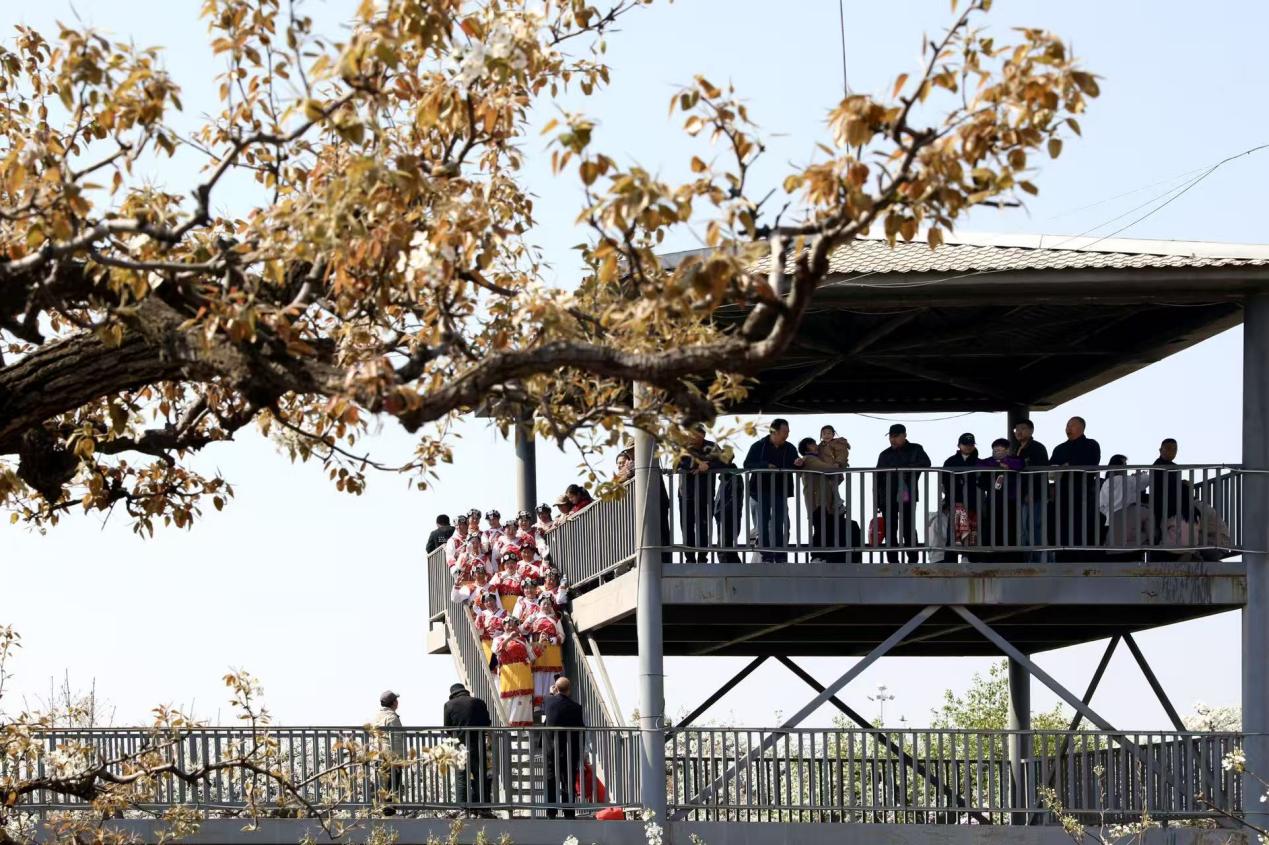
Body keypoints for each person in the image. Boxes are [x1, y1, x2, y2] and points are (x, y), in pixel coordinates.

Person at [743, 419, 802, 562]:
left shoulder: (790, 448)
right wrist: (765, 465)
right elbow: (747, 464)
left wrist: (799, 463)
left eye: (788, 432)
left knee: (780, 522)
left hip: (780, 491)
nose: (787, 435)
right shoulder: (759, 446)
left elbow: (795, 464)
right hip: (761, 490)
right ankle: (766, 555)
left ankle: (780, 554)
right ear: (774, 431)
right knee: (762, 524)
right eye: (784, 432)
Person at [875, 424, 931, 563]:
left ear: (904, 435)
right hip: (887, 496)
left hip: (908, 494)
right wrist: (877, 500)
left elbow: (926, 463)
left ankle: (913, 559)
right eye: (890, 437)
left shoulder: (916, 449)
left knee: (908, 527)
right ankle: (892, 561)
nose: (892, 440)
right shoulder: (884, 454)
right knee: (890, 528)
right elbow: (877, 479)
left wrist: (907, 469)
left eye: (895, 436)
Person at [1050, 416, 1102, 553]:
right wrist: (1062, 468)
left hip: (1084, 494)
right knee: (1062, 529)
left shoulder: (1091, 444)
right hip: (1062, 495)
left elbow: (1091, 464)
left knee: (1082, 527)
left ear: (1082, 427)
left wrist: (1066, 467)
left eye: (1071, 425)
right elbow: (1051, 470)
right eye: (1067, 426)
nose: (1068, 429)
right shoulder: (1059, 448)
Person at [442, 683, 493, 816]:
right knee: (480, 776)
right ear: (465, 691)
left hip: (460, 747)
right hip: (478, 744)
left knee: (462, 778)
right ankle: (484, 809)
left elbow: (448, 728)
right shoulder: (479, 703)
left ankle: (463, 809)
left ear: (453, 694)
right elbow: (487, 723)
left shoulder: (449, 705)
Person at [797, 437, 851, 561]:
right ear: (805, 450)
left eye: (815, 443)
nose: (815, 446)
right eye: (811, 444)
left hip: (826, 502)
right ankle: (816, 556)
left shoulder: (818, 459)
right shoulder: (809, 459)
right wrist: (838, 464)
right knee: (820, 528)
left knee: (826, 528)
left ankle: (825, 556)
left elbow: (837, 477)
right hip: (817, 501)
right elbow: (828, 470)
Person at [542, 677, 586, 819]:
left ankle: (551, 813)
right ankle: (569, 813)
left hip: (550, 749)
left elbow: (548, 699)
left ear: (556, 688)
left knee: (551, 780)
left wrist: (551, 692)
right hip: (569, 750)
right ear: (569, 689)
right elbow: (581, 731)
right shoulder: (576, 708)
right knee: (568, 781)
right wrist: (581, 752)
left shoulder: (549, 702)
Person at [677, 425, 720, 562]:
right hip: (686, 494)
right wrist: (699, 465)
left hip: (705, 494)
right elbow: (678, 464)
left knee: (704, 526)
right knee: (687, 527)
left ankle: (702, 556)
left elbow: (727, 459)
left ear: (703, 435)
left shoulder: (711, 447)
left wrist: (709, 466)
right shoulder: (682, 448)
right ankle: (689, 558)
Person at [976, 438, 1024, 559]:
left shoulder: (1014, 460)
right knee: (993, 527)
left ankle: (1011, 556)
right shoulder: (989, 461)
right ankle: (993, 556)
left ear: (1007, 450)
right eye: (995, 450)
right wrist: (998, 465)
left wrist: (1007, 465)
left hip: (1011, 500)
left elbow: (1020, 464)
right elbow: (979, 464)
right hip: (994, 501)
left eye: (1000, 449)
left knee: (1011, 527)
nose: (997, 452)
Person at [1012, 419, 1050, 560]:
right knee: (1024, 529)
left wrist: (1032, 492)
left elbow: (1040, 471)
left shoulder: (1037, 448)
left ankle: (1038, 559)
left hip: (1035, 495)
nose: (1019, 432)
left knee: (1034, 526)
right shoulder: (1017, 449)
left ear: (1031, 430)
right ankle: (1028, 558)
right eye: (1016, 429)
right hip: (1021, 495)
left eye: (1022, 428)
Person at [1099, 454, 1152, 554]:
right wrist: (1141, 475)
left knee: (1114, 551)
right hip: (1130, 523)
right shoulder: (1128, 480)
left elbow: (1101, 506)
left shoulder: (1107, 483)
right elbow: (1147, 480)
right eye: (1125, 464)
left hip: (1111, 522)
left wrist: (1110, 513)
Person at [940, 433, 981, 556]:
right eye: (965, 444)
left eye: (971, 444)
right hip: (955, 501)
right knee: (953, 533)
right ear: (959, 445)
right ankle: (950, 562)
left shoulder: (979, 462)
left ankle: (972, 561)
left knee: (974, 532)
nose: (968, 447)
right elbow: (945, 482)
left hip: (974, 502)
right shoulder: (950, 461)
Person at [492, 631, 537, 727]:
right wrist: (509, 638)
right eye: (508, 624)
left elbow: (532, 657)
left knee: (524, 699)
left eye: (513, 624)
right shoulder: (498, 639)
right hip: (508, 672)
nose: (511, 626)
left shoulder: (523, 640)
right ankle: (509, 727)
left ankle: (524, 728)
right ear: (504, 626)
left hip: (523, 673)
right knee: (508, 700)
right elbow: (496, 650)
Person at [371, 690, 405, 815]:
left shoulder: (376, 716)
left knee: (382, 783)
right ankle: (390, 810)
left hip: (378, 754)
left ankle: (384, 808)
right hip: (390, 755)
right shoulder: (392, 717)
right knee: (393, 783)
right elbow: (396, 740)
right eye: (396, 700)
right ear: (393, 703)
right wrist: (398, 759)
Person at [528, 597, 565, 706]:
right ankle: (538, 704)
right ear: (539, 605)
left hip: (552, 650)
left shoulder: (555, 619)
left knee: (551, 676)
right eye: (544, 604)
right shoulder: (533, 618)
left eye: (548, 604)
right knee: (538, 675)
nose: (546, 606)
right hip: (538, 647)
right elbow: (523, 630)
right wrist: (528, 621)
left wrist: (554, 639)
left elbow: (562, 636)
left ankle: (551, 702)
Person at [712, 459, 746, 563]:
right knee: (726, 548)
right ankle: (737, 573)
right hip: (724, 516)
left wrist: (720, 512)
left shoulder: (733, 477)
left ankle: (733, 573)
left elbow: (734, 500)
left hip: (729, 517)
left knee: (725, 548)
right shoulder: (726, 478)